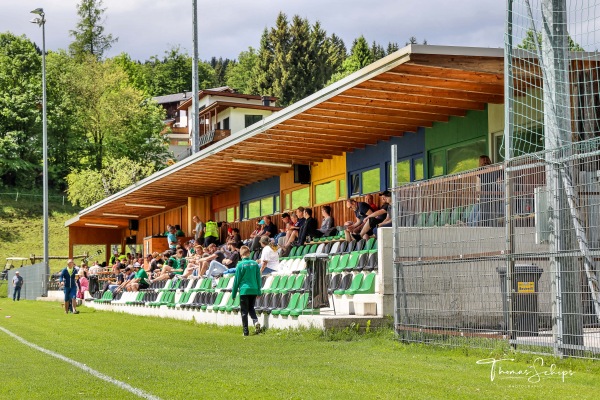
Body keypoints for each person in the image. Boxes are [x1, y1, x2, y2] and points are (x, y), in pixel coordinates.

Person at [231, 246, 262, 336]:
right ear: (249, 253)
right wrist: (259, 291)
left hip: (244, 290)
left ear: (241, 255)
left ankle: (245, 332)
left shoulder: (240, 265)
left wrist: (233, 294)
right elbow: (258, 279)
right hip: (254, 289)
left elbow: (236, 280)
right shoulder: (255, 264)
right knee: (251, 308)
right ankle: (255, 321)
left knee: (244, 311)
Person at [476, 155, 504, 227]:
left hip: (484, 194)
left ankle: (485, 227)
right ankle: (495, 226)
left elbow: (478, 185)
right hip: (495, 193)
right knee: (495, 212)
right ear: (489, 160)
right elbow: (500, 182)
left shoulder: (479, 171)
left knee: (485, 212)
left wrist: (478, 196)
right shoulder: (496, 169)